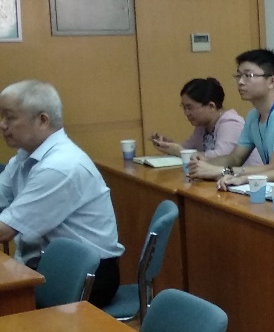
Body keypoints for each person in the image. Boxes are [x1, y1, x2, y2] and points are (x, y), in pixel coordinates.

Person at [0, 80, 125, 307]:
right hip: (47, 264)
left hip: (86, 276)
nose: (2, 125)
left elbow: (4, 230)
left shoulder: (60, 166)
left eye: (10, 117)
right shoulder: (24, 156)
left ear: (42, 120)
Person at [186, 49, 274, 187]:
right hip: (271, 188)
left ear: (271, 81)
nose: (240, 82)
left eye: (248, 75)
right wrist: (205, 162)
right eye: (238, 75)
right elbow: (235, 158)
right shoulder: (253, 116)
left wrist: (222, 171)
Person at [149, 77, 253, 161]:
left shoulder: (231, 123)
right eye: (184, 108)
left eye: (190, 107)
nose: (186, 113)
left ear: (211, 106)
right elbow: (187, 148)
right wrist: (168, 145)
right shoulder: (202, 126)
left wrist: (179, 151)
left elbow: (221, 157)